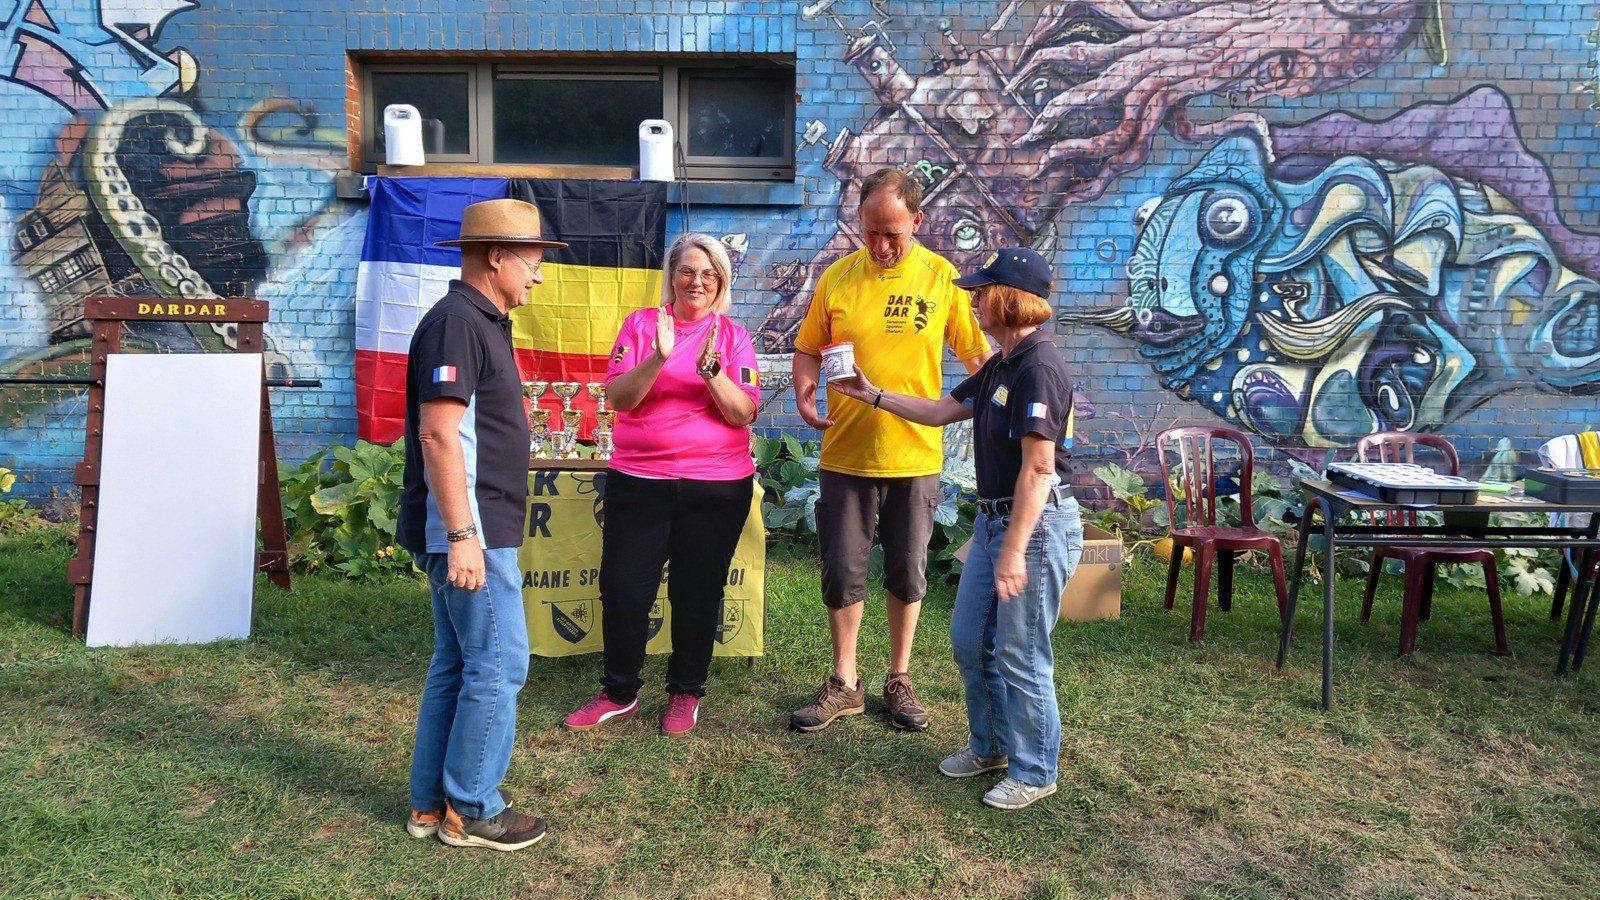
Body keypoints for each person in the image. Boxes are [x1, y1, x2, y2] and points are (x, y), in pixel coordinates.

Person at [829, 247, 1083, 810]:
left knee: (1021, 652)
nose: (973, 300)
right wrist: (872, 394)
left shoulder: (1039, 367)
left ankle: (1035, 771)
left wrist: (1014, 549)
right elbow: (942, 410)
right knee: (971, 640)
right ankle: (991, 748)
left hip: (1034, 527)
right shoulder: (1002, 363)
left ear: (1010, 299)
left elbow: (1039, 468)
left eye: (982, 291)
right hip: (996, 523)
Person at [789, 168, 992, 732]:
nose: (880, 246)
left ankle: (899, 677)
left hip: (915, 455)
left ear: (918, 221)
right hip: (845, 451)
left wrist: (1003, 402)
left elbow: (978, 359)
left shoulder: (941, 278)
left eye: (892, 235)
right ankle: (845, 681)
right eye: (871, 232)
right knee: (842, 571)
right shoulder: (837, 278)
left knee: (907, 570)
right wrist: (805, 392)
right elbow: (807, 349)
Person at [397, 198, 560, 851]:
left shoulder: (477, 320)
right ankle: (472, 808)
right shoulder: (458, 323)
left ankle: (430, 803)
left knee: (458, 661)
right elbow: (439, 434)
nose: (539, 275)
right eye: (533, 260)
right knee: (498, 663)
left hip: (471, 526)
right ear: (496, 256)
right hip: (471, 531)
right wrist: (463, 536)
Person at [563, 233, 760, 737]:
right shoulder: (641, 325)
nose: (697, 282)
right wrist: (657, 358)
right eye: (688, 270)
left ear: (721, 281)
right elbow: (618, 399)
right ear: (672, 274)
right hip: (639, 480)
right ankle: (619, 693)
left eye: (709, 274)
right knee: (624, 589)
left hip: (715, 486)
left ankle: (685, 692)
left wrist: (710, 371)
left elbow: (743, 412)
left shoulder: (734, 336)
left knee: (698, 591)